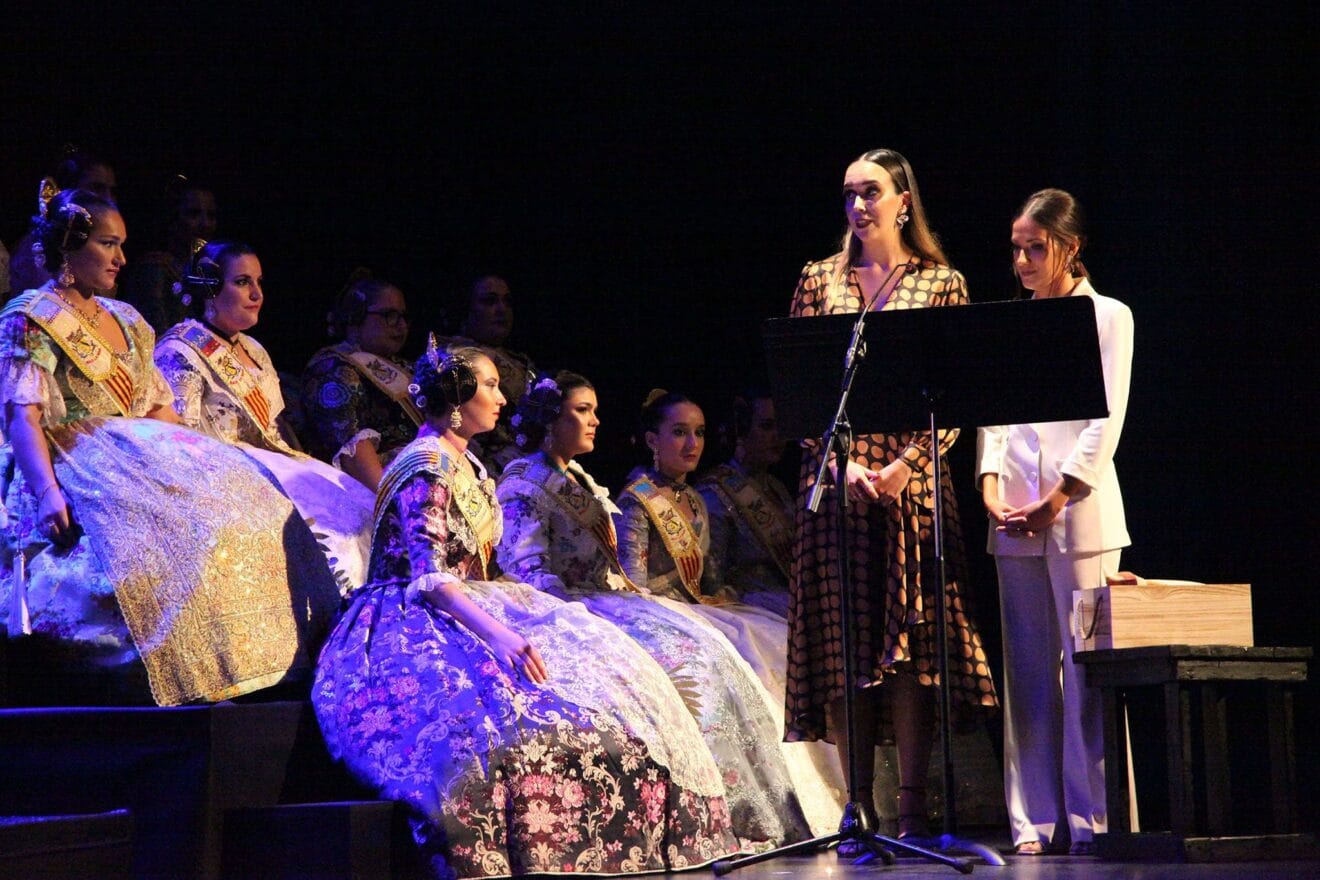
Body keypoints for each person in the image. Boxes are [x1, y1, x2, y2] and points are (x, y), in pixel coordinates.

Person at [313, 340, 739, 877]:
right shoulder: (426, 466)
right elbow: (430, 577)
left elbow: (480, 566)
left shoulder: (463, 462)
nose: (500, 397)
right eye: (489, 385)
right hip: (414, 616)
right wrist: (502, 635)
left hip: (473, 598)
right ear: (457, 396)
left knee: (608, 690)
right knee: (502, 733)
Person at [0, 188, 338, 706]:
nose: (121, 259)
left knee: (246, 504)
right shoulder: (30, 316)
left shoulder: (128, 319)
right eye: (108, 244)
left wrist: (197, 463)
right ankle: (179, 667)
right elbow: (23, 414)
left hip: (137, 448)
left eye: (123, 244)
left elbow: (158, 407)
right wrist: (47, 490)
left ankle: (258, 661)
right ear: (70, 248)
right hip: (72, 456)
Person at [496, 370, 816, 846]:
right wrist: (575, 616)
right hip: (571, 609)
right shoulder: (524, 482)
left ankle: (759, 811)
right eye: (583, 411)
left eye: (596, 410)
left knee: (715, 658)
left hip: (609, 600)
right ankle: (723, 815)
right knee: (699, 664)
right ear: (549, 419)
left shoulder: (576, 477)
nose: (596, 421)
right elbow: (529, 571)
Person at [785, 148, 998, 840]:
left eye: (871, 192)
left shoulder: (941, 284)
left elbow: (959, 399)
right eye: (849, 194)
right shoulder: (820, 281)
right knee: (843, 644)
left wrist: (907, 464)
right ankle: (858, 808)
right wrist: (838, 464)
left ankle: (910, 807)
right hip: (838, 487)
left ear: (903, 200)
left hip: (911, 490)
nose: (859, 206)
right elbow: (802, 396)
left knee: (912, 651)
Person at [976, 189, 1133, 856]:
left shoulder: (1108, 316)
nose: (1021, 260)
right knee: (1029, 673)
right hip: (1013, 514)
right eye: (1016, 248)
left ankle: (1091, 818)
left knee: (1085, 668)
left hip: (1077, 514)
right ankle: (1033, 821)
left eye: (1034, 248)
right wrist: (988, 484)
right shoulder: (1015, 320)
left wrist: (1059, 496)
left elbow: (1107, 419)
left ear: (1069, 247)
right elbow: (995, 414)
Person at [155, 240, 374, 590]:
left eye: (258, 282)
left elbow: (276, 428)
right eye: (242, 282)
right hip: (228, 474)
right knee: (333, 542)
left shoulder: (253, 348)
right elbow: (180, 441)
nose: (257, 293)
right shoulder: (181, 351)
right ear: (210, 287)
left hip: (277, 462)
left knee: (363, 513)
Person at [300, 271, 420, 491]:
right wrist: (388, 502)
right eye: (389, 315)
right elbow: (352, 448)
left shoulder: (406, 367)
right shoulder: (333, 369)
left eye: (403, 316)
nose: (400, 325)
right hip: (377, 488)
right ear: (355, 318)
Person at [697, 389, 795, 617]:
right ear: (741, 431)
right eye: (766, 426)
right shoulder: (716, 493)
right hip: (749, 612)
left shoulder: (777, 487)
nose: (778, 435)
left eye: (781, 426)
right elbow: (711, 583)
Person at [438, 273, 536, 475]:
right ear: (467, 308)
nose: (501, 309)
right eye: (489, 301)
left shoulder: (521, 361)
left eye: (506, 301)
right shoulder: (450, 357)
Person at [8, 146, 117, 296]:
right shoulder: (44, 246)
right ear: (69, 189)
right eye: (97, 188)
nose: (108, 199)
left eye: (111, 191)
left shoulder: (90, 242)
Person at [117, 175, 219, 334]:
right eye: (193, 214)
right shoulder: (155, 268)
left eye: (211, 215)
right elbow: (156, 335)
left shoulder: (214, 270)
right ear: (174, 217)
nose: (204, 223)